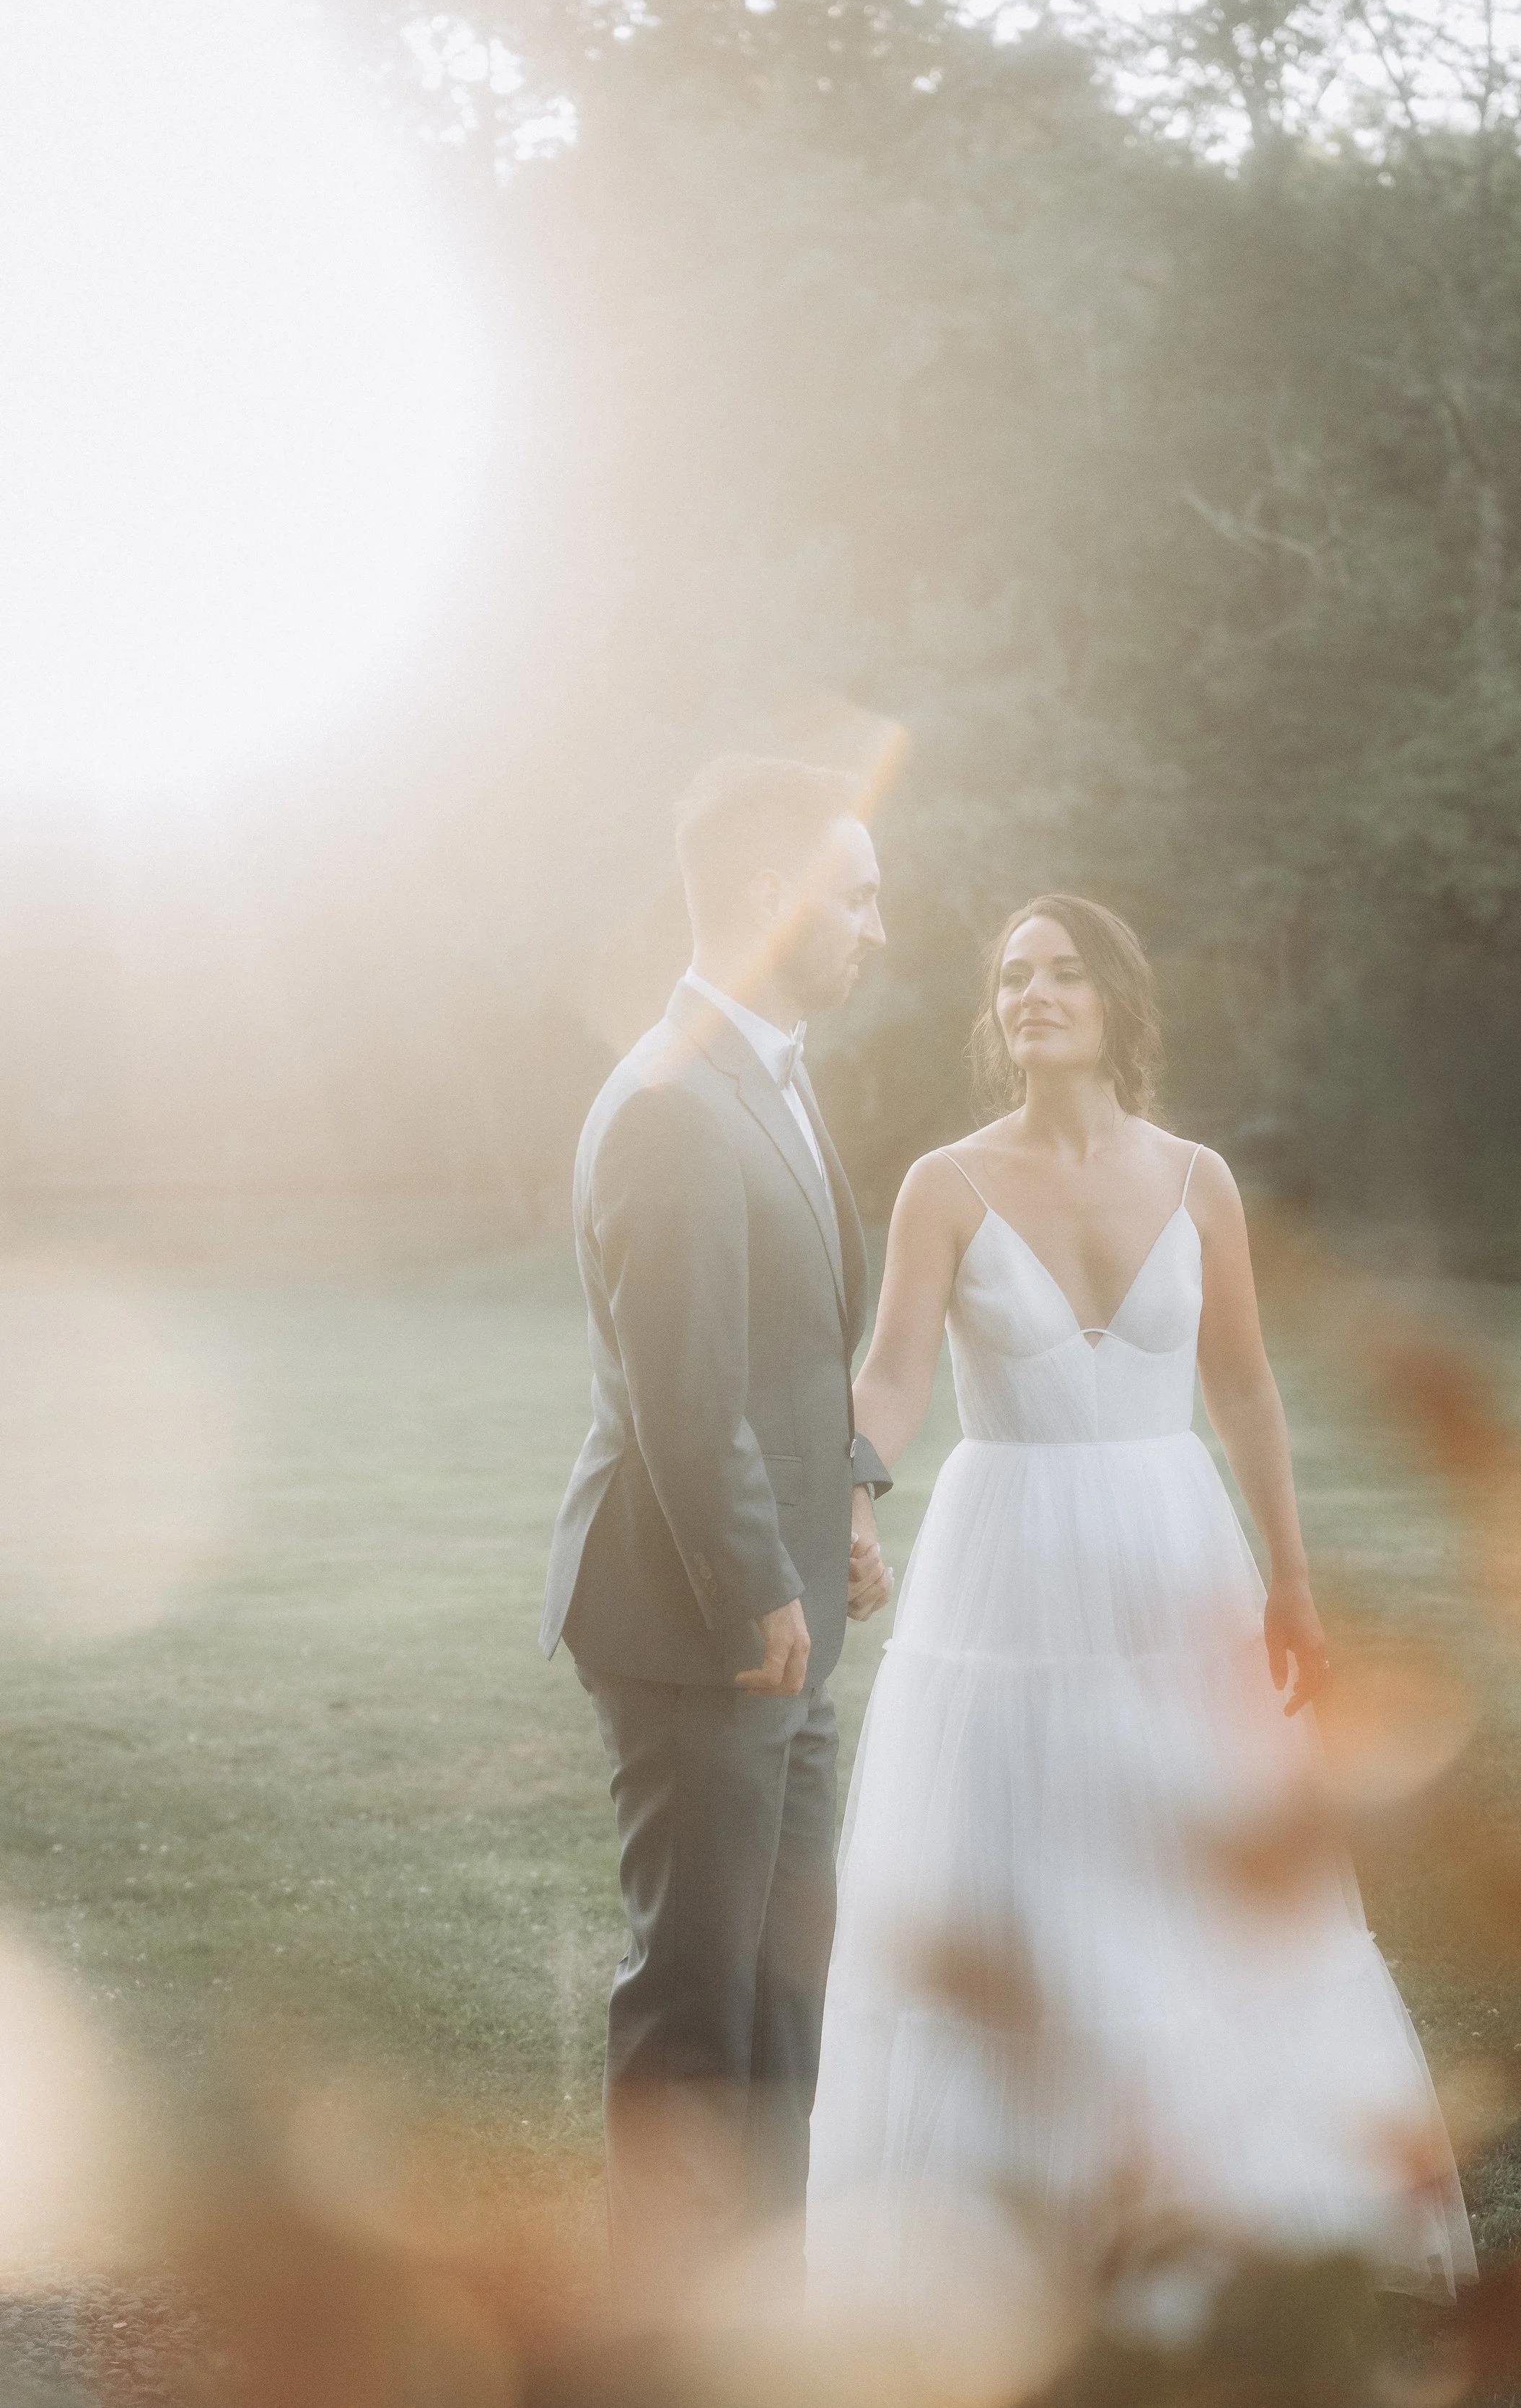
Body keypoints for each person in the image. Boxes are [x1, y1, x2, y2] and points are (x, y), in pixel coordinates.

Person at [807, 894, 1476, 2297]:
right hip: (1008, 1576)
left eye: (1061, 973)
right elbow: (890, 1375)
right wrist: (845, 1496)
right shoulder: (943, 1180)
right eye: (1010, 978)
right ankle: (1017, 2236)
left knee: (1202, 1881)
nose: (1033, 994)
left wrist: (1289, 1577)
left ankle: (1233, 2217)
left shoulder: (1196, 1179)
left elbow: (1240, 1384)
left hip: (1180, 1566)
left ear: (1116, 1000)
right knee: (1027, 1880)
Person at [540, 755, 893, 2306]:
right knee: (693, 2005)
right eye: (857, 893)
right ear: (769, 899)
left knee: (781, 1995)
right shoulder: (676, 1099)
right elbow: (687, 1398)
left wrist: (848, 1523)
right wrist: (760, 1589)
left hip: (787, 1609)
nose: (879, 924)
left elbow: (785, 1353)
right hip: (696, 1629)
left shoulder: (771, 1072)